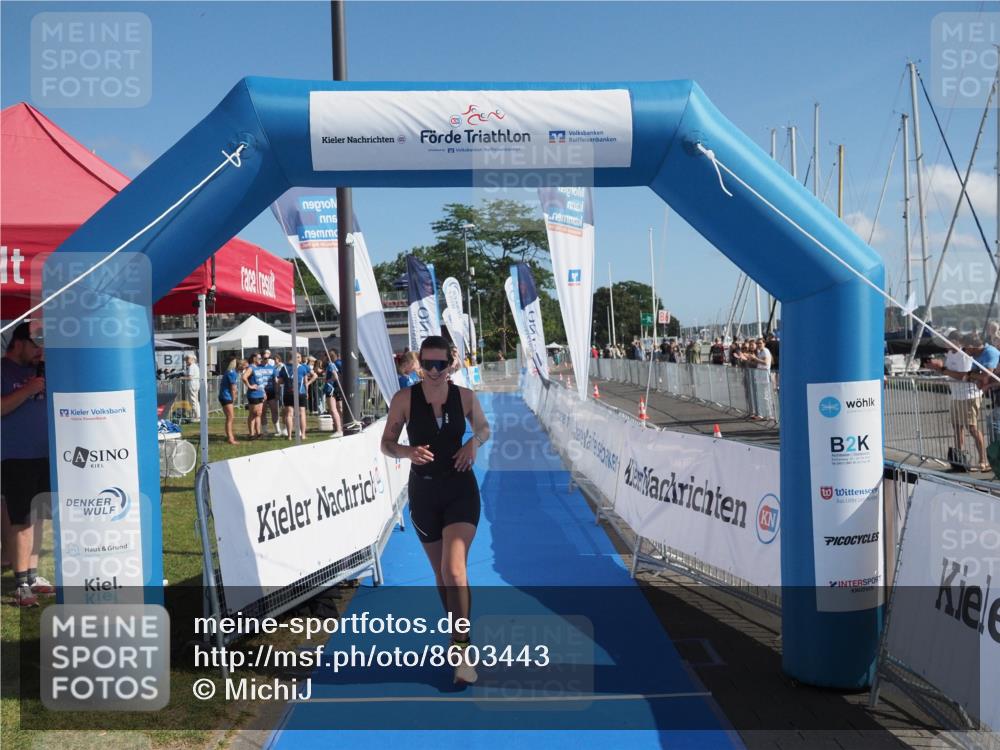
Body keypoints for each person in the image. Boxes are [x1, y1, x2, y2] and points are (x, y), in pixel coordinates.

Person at [380, 335, 491, 685]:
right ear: (419, 364)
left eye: (439, 364)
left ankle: (462, 650)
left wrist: (473, 443)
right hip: (424, 494)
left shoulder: (465, 397)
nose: (432, 370)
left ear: (450, 364)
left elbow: (484, 428)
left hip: (460, 489)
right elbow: (386, 443)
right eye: (427, 364)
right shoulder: (404, 399)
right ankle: (457, 637)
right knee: (442, 575)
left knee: (454, 570)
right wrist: (407, 452)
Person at [0, 323, 56, 606]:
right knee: (21, 520)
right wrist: (28, 389)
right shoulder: (3, 370)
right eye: (35, 345)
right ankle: (21, 582)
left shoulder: (40, 370)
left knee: (38, 517)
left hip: (43, 454)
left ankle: (32, 576)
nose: (39, 351)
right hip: (15, 456)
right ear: (18, 343)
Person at [928, 332, 988, 472]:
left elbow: (963, 376)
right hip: (956, 396)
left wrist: (942, 369)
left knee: (972, 428)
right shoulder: (950, 354)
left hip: (969, 395)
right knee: (957, 427)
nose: (945, 344)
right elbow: (948, 372)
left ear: (956, 341)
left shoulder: (964, 355)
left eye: (948, 341)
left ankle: (983, 460)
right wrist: (938, 368)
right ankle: (959, 459)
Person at [278, 353, 316, 441]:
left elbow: (280, 381)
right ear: (296, 358)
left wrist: (286, 381)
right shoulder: (303, 367)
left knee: (289, 414)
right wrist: (307, 387)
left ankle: (289, 436)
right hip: (300, 392)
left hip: (288, 393)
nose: (300, 359)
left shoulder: (284, 367)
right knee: (301, 413)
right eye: (299, 357)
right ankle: (303, 435)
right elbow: (309, 379)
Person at [242, 353, 266, 439]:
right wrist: (250, 386)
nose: (261, 360)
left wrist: (264, 392)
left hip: (260, 393)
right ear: (254, 359)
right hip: (253, 394)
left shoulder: (258, 368)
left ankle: (258, 433)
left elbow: (261, 382)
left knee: (259, 413)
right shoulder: (251, 368)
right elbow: (244, 377)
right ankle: (251, 434)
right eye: (259, 358)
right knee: (253, 413)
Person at [218, 358, 240, 445]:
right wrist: (233, 398)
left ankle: (230, 437)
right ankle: (230, 438)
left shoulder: (230, 372)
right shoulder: (231, 373)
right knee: (230, 417)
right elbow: (233, 387)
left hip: (225, 396)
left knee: (229, 417)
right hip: (226, 396)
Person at [322, 351, 344, 438]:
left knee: (333, 410)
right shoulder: (334, 364)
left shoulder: (331, 364)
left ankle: (339, 430)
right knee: (340, 409)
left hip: (331, 388)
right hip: (337, 387)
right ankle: (341, 427)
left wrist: (327, 380)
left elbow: (335, 376)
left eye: (324, 357)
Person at [184, 353, 201, 422]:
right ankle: (197, 416)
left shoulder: (191, 366)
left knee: (193, 401)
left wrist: (182, 378)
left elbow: (190, 377)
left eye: (187, 359)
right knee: (195, 401)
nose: (186, 361)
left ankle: (197, 417)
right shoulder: (195, 366)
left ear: (192, 359)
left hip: (192, 384)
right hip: (195, 384)